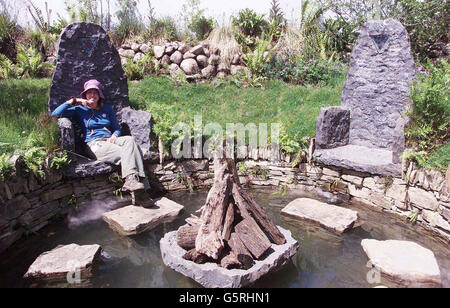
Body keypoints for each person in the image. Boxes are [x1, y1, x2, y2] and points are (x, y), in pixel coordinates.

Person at [52, 79, 148, 193]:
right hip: (94, 144)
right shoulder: (79, 109)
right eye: (89, 92)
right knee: (131, 153)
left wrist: (115, 135)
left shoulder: (107, 109)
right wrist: (74, 101)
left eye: (95, 92)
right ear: (85, 95)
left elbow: (117, 128)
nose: (92, 95)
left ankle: (133, 183)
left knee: (130, 140)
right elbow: (55, 114)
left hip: (109, 140)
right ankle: (143, 189)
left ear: (99, 95)